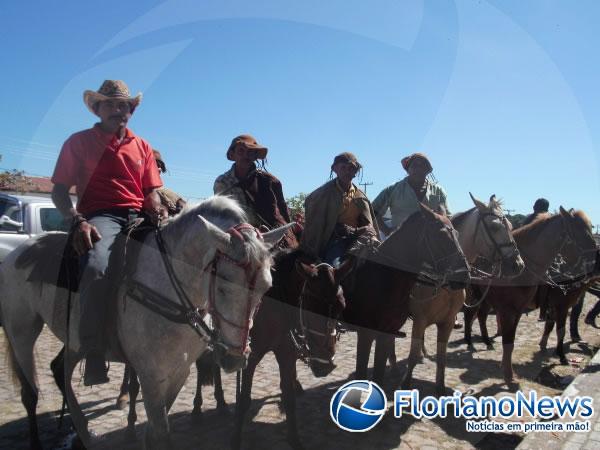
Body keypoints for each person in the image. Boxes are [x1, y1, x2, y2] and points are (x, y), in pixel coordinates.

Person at [51, 80, 166, 386]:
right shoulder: (78, 142)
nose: (119, 110)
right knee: (97, 267)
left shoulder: (142, 146)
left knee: (181, 261)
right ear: (97, 108)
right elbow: (60, 191)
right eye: (112, 105)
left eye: (124, 105)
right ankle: (93, 352)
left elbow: (151, 190)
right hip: (101, 215)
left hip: (139, 215)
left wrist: (158, 208)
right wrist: (77, 220)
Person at [213, 134, 297, 247]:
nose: (246, 156)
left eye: (250, 152)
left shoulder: (269, 181)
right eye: (241, 151)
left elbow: (281, 213)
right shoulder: (222, 182)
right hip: (236, 238)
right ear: (233, 154)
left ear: (255, 156)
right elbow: (222, 216)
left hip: (269, 236)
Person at [301, 152, 378, 267]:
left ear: (356, 172)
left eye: (351, 168)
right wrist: (348, 230)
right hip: (334, 241)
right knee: (334, 267)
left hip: (360, 241)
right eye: (343, 167)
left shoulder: (361, 197)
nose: (347, 171)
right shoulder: (321, 195)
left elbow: (369, 224)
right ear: (335, 169)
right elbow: (315, 228)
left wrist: (367, 231)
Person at [372, 152, 450, 236]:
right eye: (414, 166)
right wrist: (387, 231)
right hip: (399, 242)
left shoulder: (439, 191)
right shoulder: (392, 190)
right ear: (408, 169)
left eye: (422, 166)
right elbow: (372, 211)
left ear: (427, 171)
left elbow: (447, 218)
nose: (418, 169)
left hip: (430, 243)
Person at [153, 150, 186, 215]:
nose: (159, 169)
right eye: (155, 165)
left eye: (159, 166)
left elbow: (183, 206)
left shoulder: (165, 191)